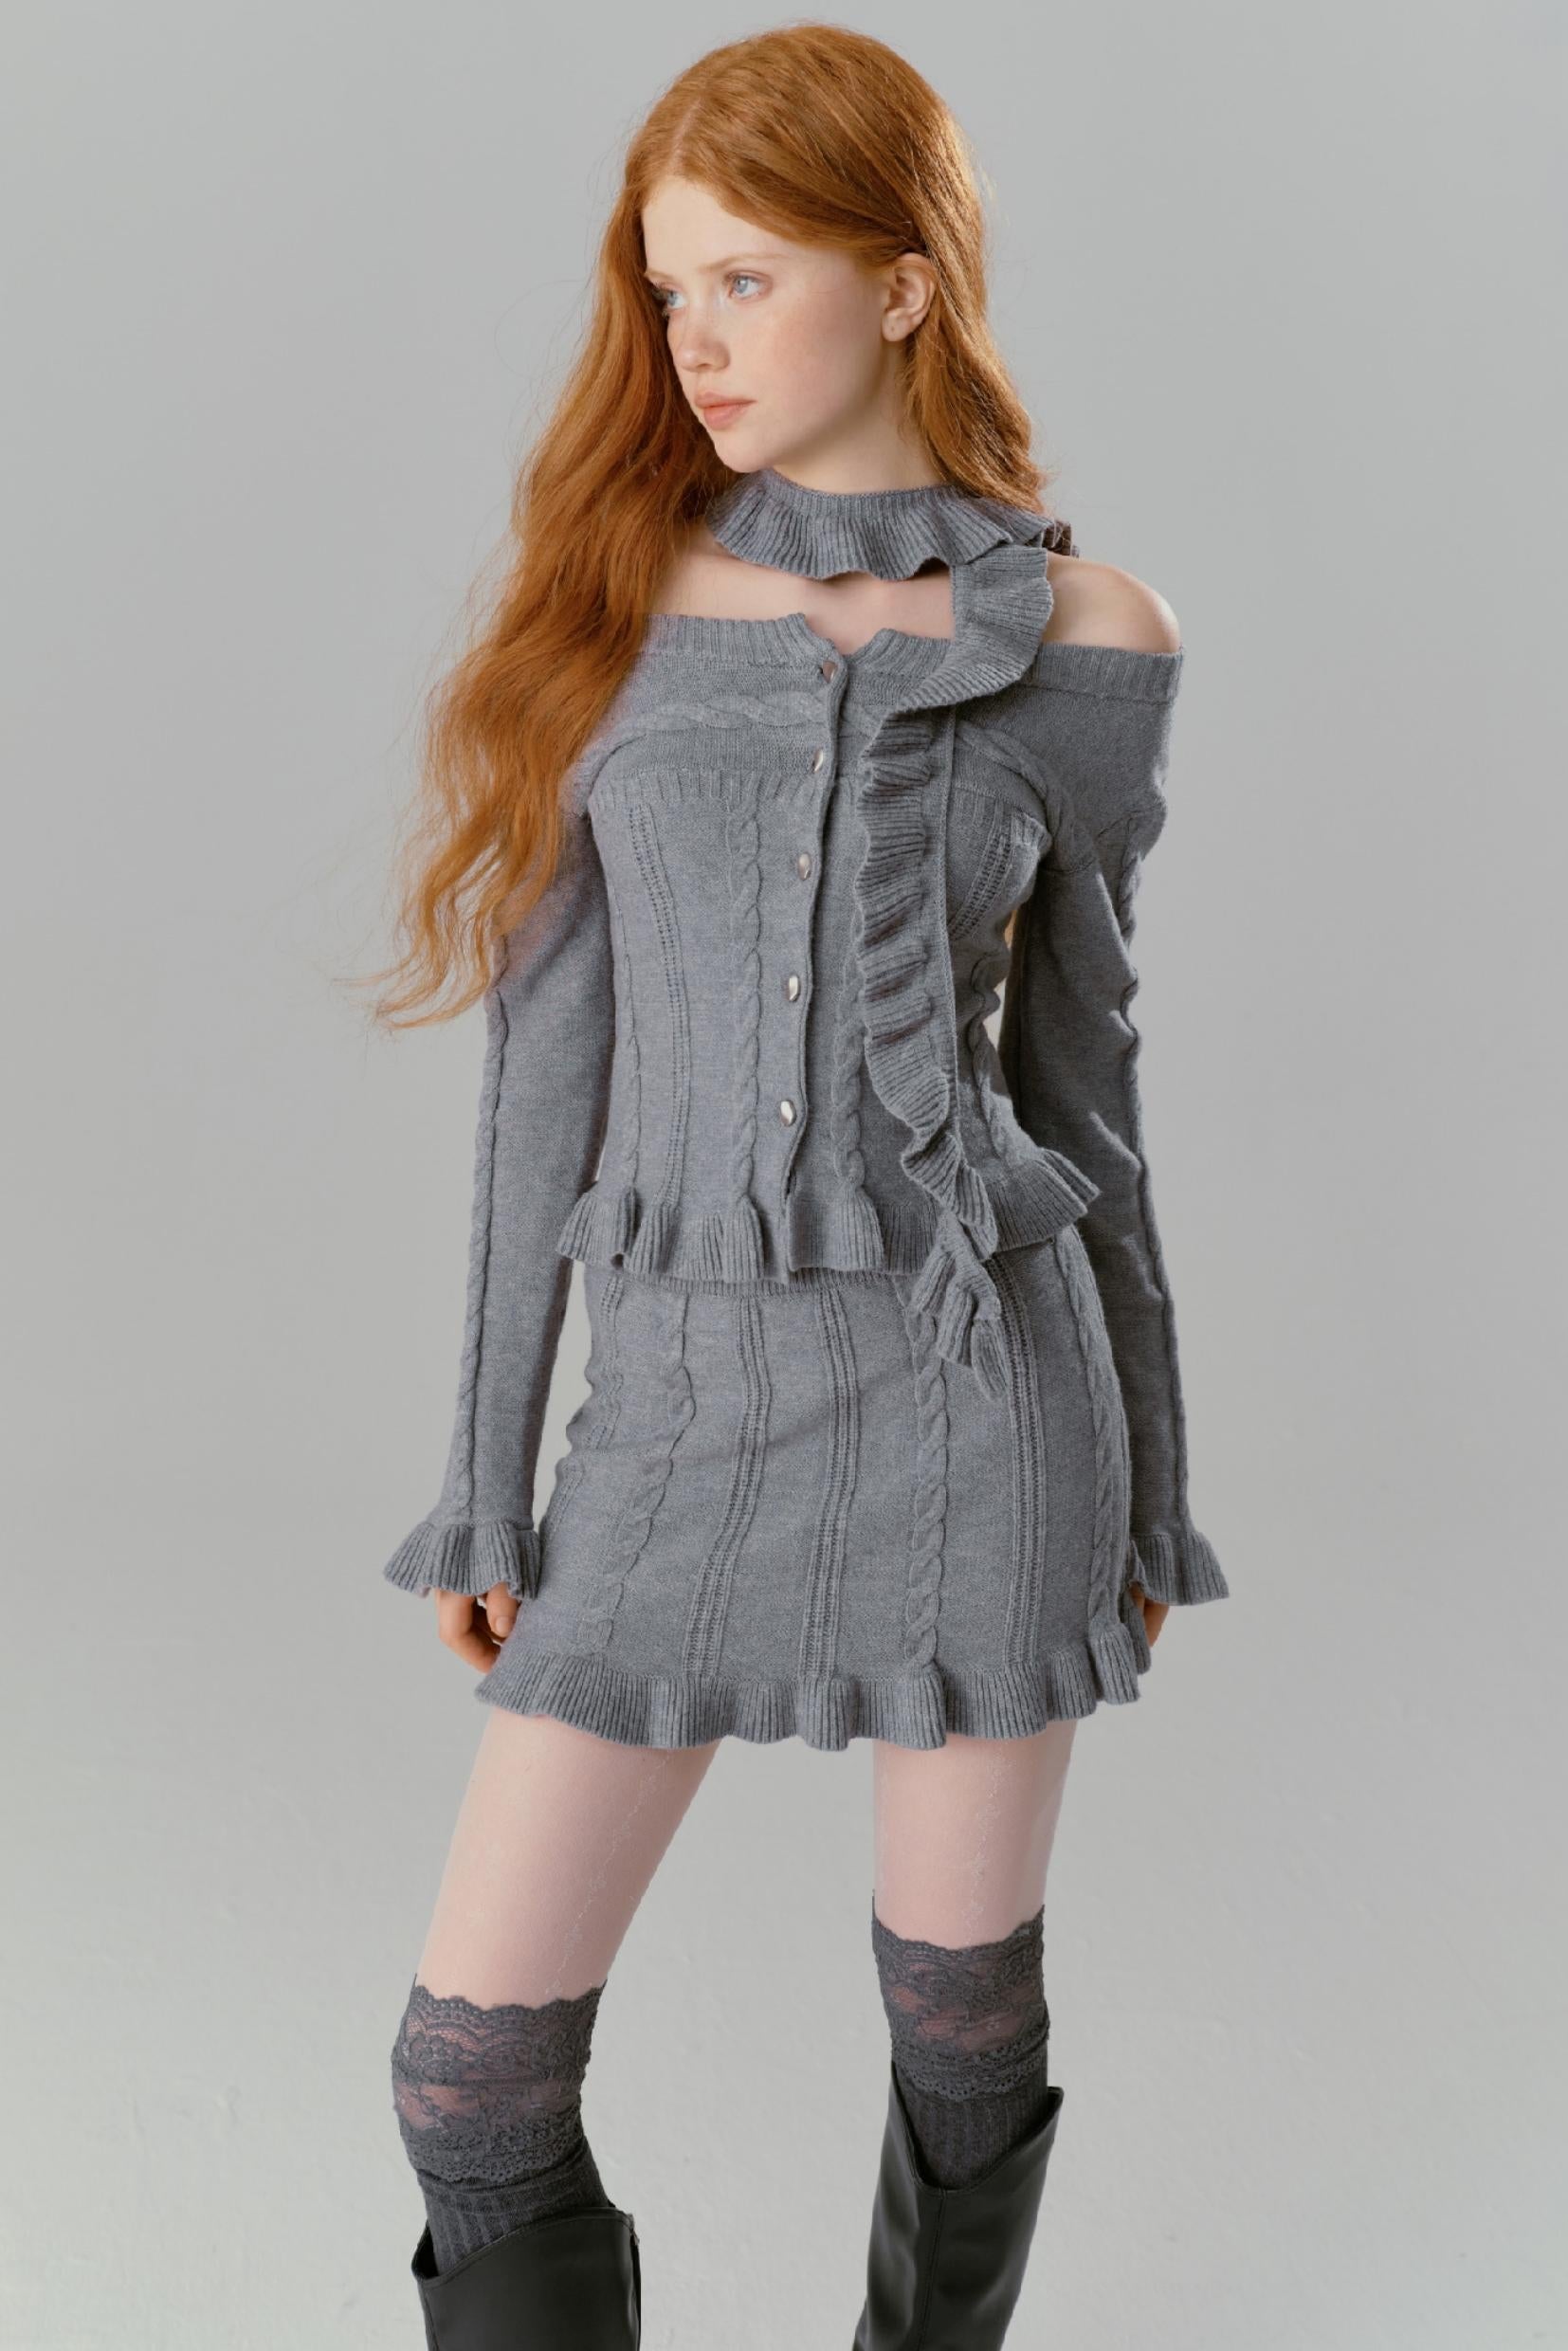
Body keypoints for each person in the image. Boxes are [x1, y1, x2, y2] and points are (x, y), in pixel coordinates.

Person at [362, 24, 1229, 2347]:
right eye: (670, 294)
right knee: (467, 2077)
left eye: (746, 279)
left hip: (985, 1408)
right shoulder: (608, 614)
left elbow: (1087, 1099)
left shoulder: (1089, 639)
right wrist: (483, 1482)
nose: (696, 341)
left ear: (905, 282)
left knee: (959, 2023)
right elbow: (538, 1092)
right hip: (673, 1417)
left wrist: (1153, 1495)